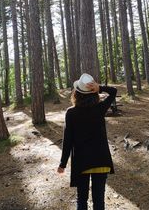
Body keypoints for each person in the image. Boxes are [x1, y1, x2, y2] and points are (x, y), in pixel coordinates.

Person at [57, 73, 117, 210]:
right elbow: (114, 92)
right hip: (101, 161)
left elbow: (68, 140)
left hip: (81, 162)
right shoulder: (100, 109)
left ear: (76, 93)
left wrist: (62, 164)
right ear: (93, 93)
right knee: (99, 202)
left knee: (82, 200)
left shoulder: (71, 113)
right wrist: (100, 88)